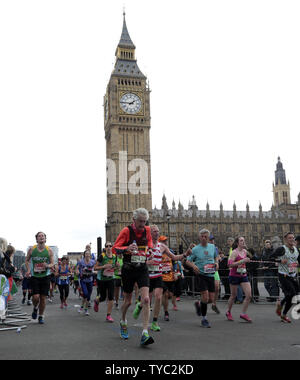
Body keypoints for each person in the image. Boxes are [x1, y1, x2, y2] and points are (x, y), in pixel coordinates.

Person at [113, 208, 154, 346]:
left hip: (142, 267)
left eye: (144, 221)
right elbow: (115, 249)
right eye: (140, 221)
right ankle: (123, 321)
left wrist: (150, 252)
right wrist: (126, 249)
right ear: (134, 220)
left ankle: (145, 333)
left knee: (146, 299)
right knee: (128, 301)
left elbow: (149, 244)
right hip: (128, 269)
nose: (143, 224)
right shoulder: (126, 231)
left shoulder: (147, 230)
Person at [185, 229, 219, 328]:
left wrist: (217, 263)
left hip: (211, 275)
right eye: (202, 237)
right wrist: (193, 266)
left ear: (208, 238)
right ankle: (204, 319)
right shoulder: (195, 249)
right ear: (199, 237)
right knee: (205, 296)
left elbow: (216, 257)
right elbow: (187, 261)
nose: (204, 238)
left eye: (206, 237)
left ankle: (199, 303)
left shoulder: (213, 247)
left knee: (211, 299)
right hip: (201, 275)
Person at [25, 232, 55, 324]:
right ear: (37, 239)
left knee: (42, 298)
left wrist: (48, 265)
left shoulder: (49, 250)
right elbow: (26, 260)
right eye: (39, 236)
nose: (41, 237)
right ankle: (35, 308)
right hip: (35, 276)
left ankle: (41, 316)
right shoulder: (32, 249)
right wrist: (29, 270)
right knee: (35, 297)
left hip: (45, 276)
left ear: (45, 239)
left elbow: (52, 263)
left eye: (43, 236)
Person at [271, 232, 300, 323]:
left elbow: (296, 261)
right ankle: (284, 315)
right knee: (291, 294)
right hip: (283, 275)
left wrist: (297, 264)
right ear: (286, 239)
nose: (292, 239)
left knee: (295, 294)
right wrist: (280, 260)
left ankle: (281, 305)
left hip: (292, 274)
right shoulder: (281, 249)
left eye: (293, 238)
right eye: (289, 238)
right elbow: (270, 258)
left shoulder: (296, 249)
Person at [226, 237, 252, 323]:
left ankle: (243, 314)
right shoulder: (234, 252)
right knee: (233, 296)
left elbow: (252, 256)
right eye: (241, 240)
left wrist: (247, 259)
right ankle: (228, 312)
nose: (243, 241)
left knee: (249, 295)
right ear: (237, 243)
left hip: (243, 275)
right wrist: (241, 261)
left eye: (244, 240)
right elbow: (229, 265)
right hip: (234, 276)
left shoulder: (245, 251)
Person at [94, 242, 118, 322]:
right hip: (102, 279)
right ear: (105, 248)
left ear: (112, 247)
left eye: (110, 246)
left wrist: (116, 267)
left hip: (111, 278)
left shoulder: (115, 256)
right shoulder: (102, 256)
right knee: (103, 297)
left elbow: (114, 267)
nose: (108, 247)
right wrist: (103, 266)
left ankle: (108, 315)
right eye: (106, 246)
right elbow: (95, 268)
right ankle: (97, 301)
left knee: (111, 297)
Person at [77, 250, 96, 316]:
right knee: (85, 293)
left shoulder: (93, 262)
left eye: (88, 254)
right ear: (84, 255)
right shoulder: (81, 261)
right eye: (86, 254)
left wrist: (95, 272)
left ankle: (85, 308)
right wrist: (77, 271)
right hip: (83, 280)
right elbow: (77, 268)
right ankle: (82, 306)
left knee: (88, 296)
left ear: (90, 255)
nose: (87, 255)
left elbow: (95, 269)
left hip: (90, 280)